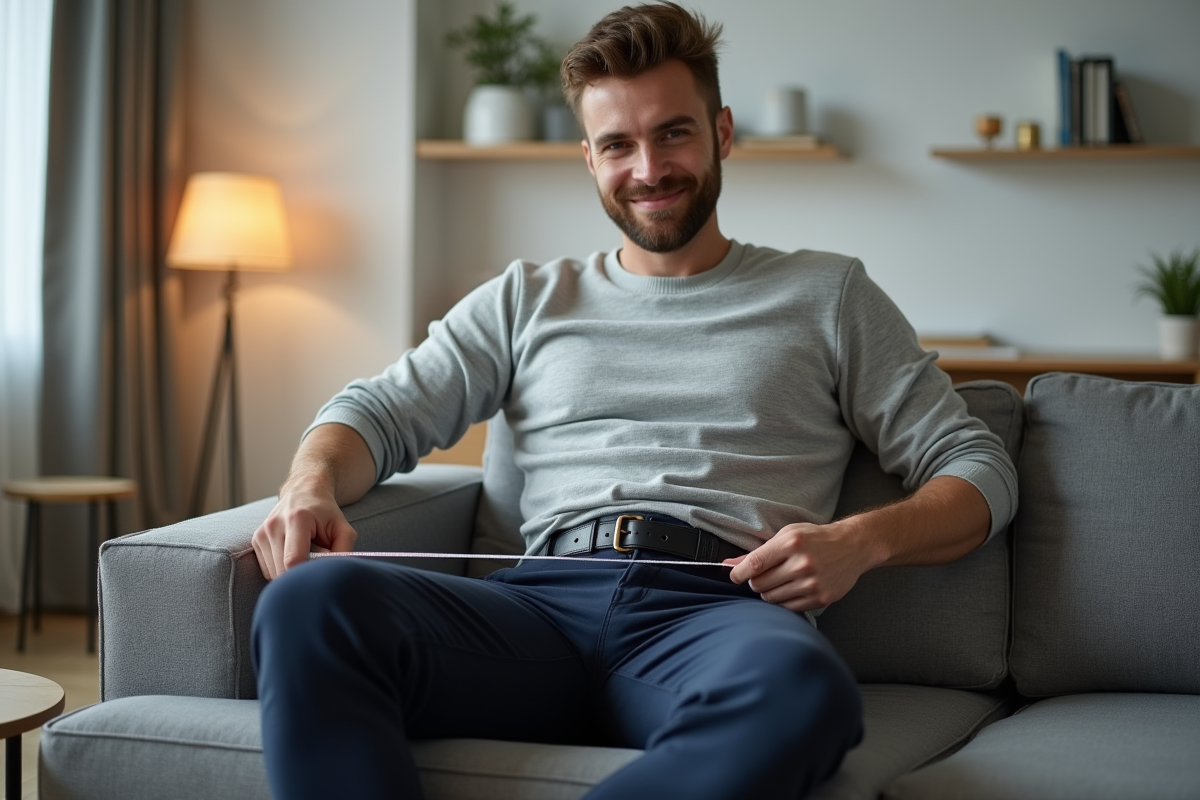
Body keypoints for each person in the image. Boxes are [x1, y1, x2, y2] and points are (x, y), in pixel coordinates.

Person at [249, 3, 1017, 799]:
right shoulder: (527, 298)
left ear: (721, 133)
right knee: (310, 600)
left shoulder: (827, 294)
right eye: (618, 144)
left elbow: (978, 468)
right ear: (589, 158)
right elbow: (372, 413)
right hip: (532, 615)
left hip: (714, 615)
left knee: (805, 693)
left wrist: (861, 541)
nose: (648, 168)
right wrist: (307, 486)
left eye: (673, 133)